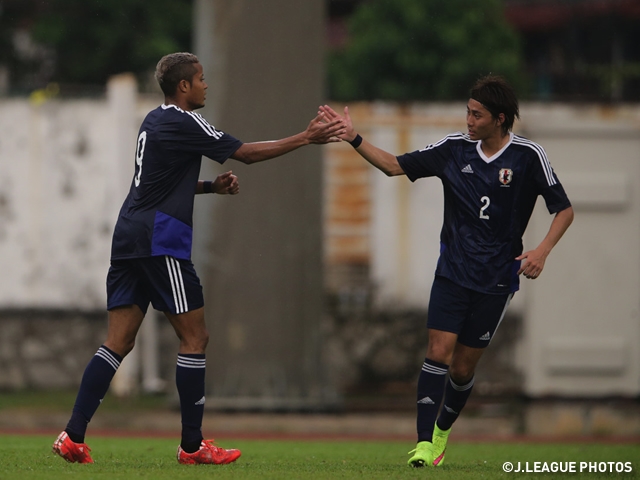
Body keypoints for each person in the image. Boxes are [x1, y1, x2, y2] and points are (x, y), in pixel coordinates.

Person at [52, 52, 345, 465]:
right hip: (161, 240)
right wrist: (305, 138)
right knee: (195, 338)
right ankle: (192, 446)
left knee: (117, 342)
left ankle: (72, 436)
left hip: (128, 237)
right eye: (202, 79)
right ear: (184, 87)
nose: (207, 85)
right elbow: (244, 152)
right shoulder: (186, 120)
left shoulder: (153, 120)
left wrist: (210, 188)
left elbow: (160, 183)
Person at [320, 75, 573, 468]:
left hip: (496, 280)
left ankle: (441, 433)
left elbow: (564, 209)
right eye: (468, 112)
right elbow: (393, 166)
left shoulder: (528, 156)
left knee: (462, 367)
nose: (469, 120)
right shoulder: (454, 149)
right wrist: (354, 137)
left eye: (477, 114)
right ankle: (423, 444)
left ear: (500, 119)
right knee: (438, 351)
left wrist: (541, 251)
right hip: (453, 271)